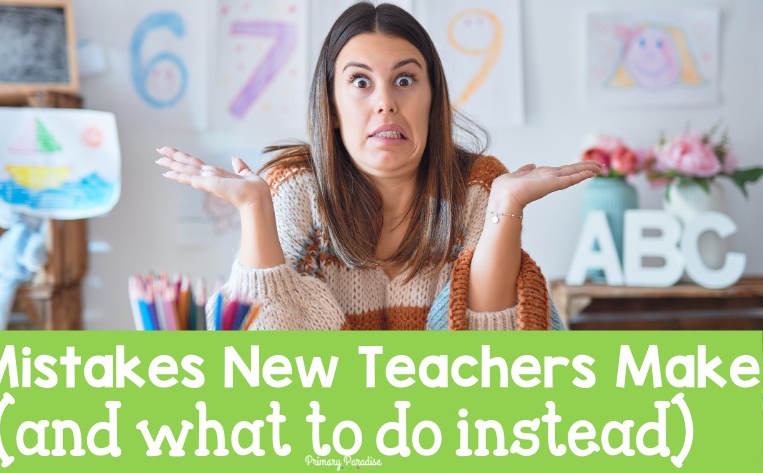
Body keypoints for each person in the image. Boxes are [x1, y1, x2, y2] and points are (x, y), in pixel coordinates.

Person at [155, 2, 600, 330]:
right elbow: (270, 363)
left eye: (404, 80)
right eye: (360, 82)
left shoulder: (478, 188)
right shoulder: (295, 188)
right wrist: (254, 210)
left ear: (433, 101)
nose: (385, 103)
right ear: (330, 107)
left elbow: (493, 363)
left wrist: (507, 206)